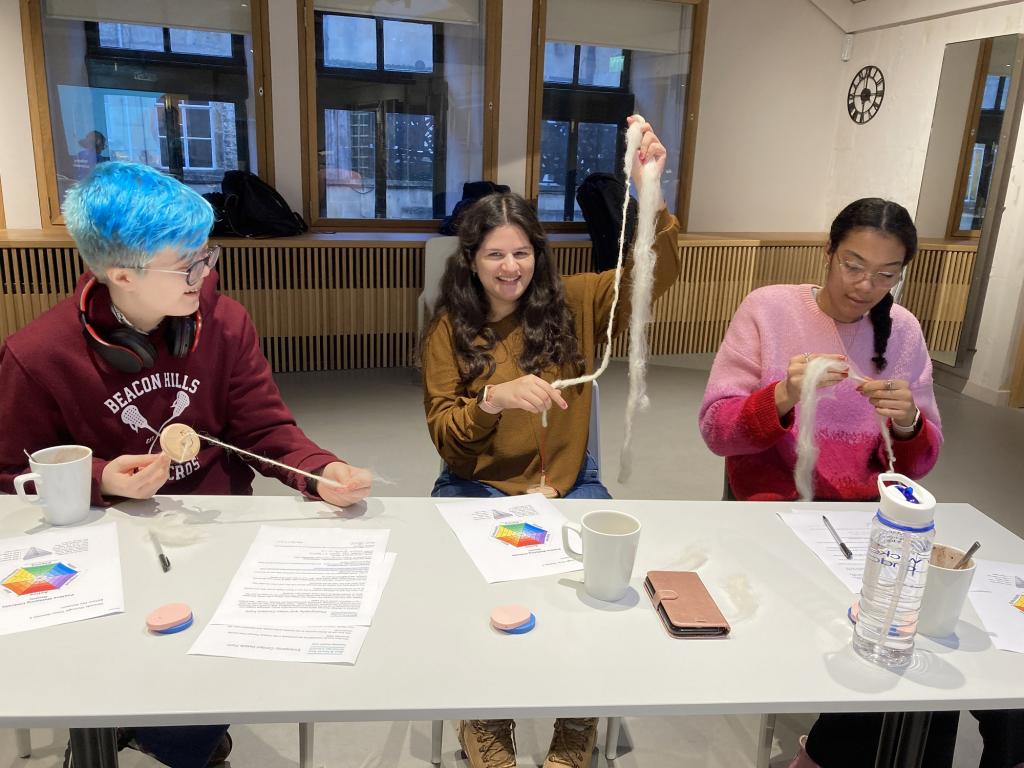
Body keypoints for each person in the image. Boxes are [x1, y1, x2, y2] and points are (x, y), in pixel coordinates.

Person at [0, 162, 373, 768]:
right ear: (121, 274)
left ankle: (167, 735)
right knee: (91, 668)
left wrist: (317, 470)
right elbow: (8, 475)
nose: (209, 272)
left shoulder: (225, 324)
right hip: (101, 544)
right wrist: (100, 479)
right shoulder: (36, 355)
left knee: (201, 689)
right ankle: (117, 728)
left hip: (212, 529)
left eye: (207, 254)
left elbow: (264, 428)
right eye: (190, 264)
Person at [698, 198, 1023, 768]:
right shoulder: (769, 310)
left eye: (886, 274)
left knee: (951, 637)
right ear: (827, 253)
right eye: (852, 265)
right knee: (900, 635)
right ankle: (832, 753)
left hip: (870, 523)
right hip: (777, 519)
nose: (865, 285)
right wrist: (782, 394)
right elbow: (718, 432)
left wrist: (909, 422)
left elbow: (917, 465)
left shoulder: (903, 332)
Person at [420, 117, 680, 768]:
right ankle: (485, 718)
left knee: (605, 589)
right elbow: (450, 444)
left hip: (569, 484)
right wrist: (490, 399)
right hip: (474, 486)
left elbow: (655, 273)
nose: (511, 267)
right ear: (471, 261)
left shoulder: (579, 304)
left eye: (522, 252)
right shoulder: (449, 331)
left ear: (538, 253)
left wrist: (652, 194)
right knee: (479, 601)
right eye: (494, 255)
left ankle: (576, 720)